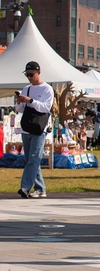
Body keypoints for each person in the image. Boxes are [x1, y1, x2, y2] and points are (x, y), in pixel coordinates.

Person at [16, 61, 55, 199]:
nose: (29, 77)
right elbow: (19, 109)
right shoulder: (26, 88)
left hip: (40, 128)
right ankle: (40, 188)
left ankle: (25, 187)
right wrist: (20, 102)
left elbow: (46, 107)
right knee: (30, 160)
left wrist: (30, 101)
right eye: (27, 75)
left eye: (31, 74)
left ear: (39, 72)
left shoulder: (47, 89)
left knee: (34, 158)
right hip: (27, 127)